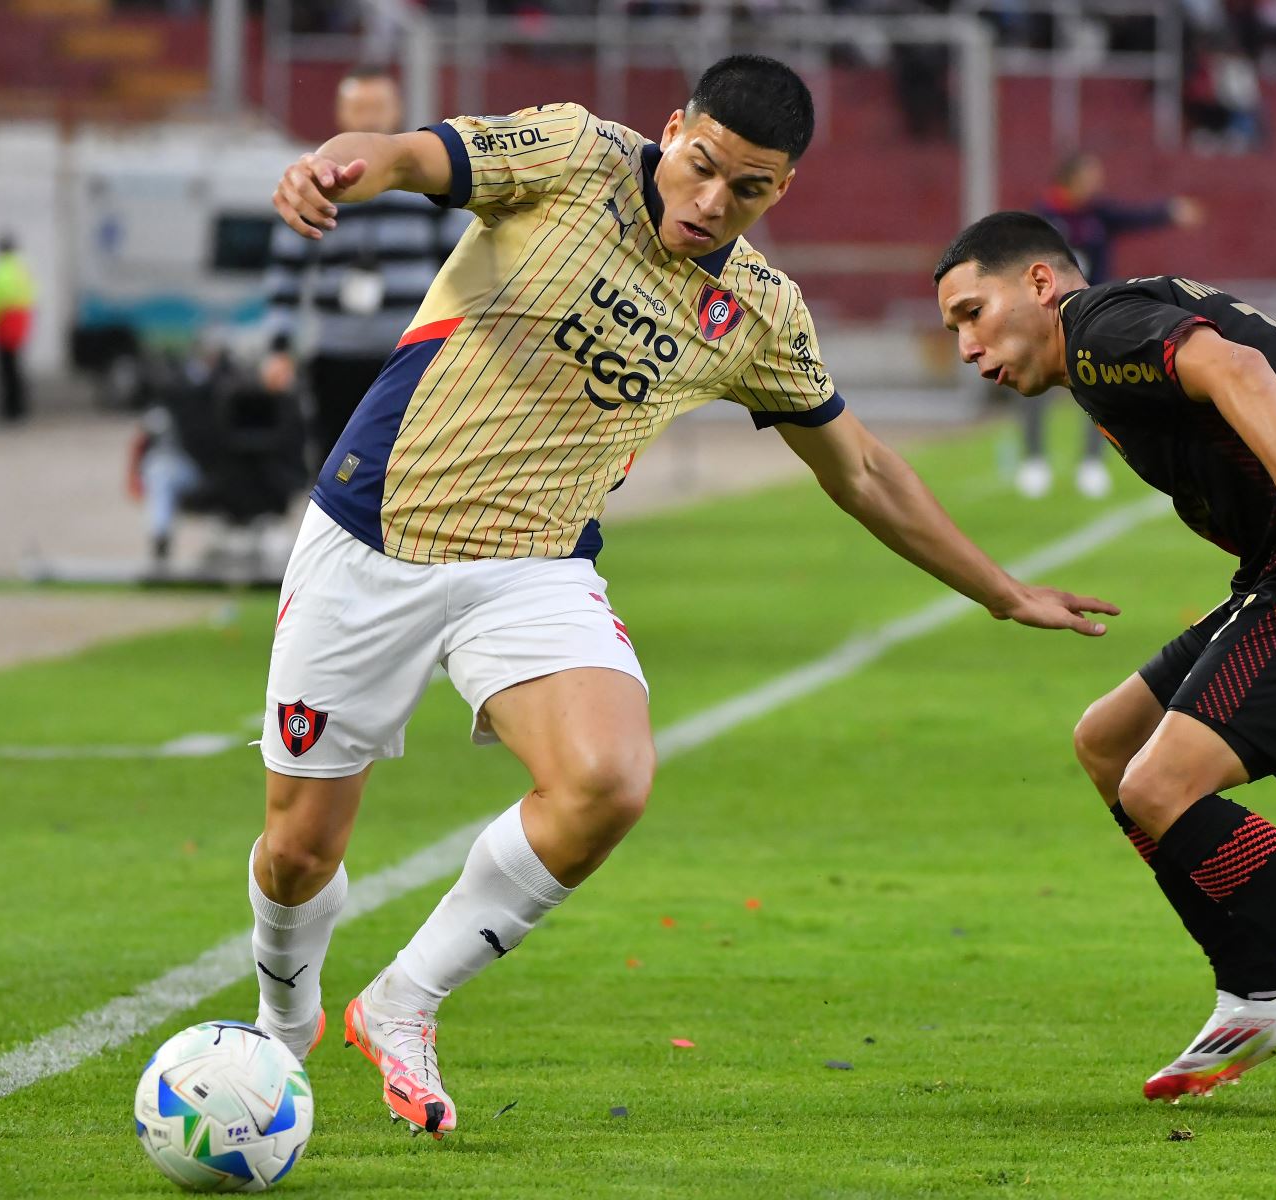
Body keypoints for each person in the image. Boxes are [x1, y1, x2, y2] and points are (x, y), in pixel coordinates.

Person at [254, 56, 1118, 1138]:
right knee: (299, 851)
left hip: (531, 567)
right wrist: (343, 166)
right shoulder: (574, 156)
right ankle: (278, 1026)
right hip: (371, 537)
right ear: (673, 131)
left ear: (781, 192)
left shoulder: (757, 310)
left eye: (747, 189)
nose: (711, 203)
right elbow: (420, 153)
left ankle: (402, 1004)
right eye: (700, 167)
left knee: (607, 781)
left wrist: (997, 591)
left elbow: (860, 470)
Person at [933, 212, 1276, 1134]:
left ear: (1042, 284)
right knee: (1108, 742)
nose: (968, 347)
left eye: (974, 313)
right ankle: (1255, 991)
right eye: (953, 330)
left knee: (1161, 783)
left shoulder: (1098, 332)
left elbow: (1239, 370)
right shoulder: (1120, 328)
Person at [264, 64, 472, 470]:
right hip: (336, 354)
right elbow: (286, 272)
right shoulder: (314, 181)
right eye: (359, 109)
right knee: (332, 464)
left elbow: (463, 261)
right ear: (342, 116)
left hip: (412, 350)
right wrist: (278, 348)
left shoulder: (428, 181)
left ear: (397, 111)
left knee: (408, 466)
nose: (371, 119)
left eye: (379, 107)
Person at [1023, 153, 1203, 500]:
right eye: (1091, 175)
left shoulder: (1098, 214)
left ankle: (1092, 463)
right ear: (1071, 177)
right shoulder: (1043, 216)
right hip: (1047, 317)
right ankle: (1034, 461)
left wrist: (1170, 211)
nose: (1096, 183)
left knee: (1097, 385)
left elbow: (1136, 217)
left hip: (1090, 315)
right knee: (1034, 388)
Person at [0, 234, 36, 422]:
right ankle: (20, 409)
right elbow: (31, 297)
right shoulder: (22, 268)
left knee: (6, 370)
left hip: (3, 322)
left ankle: (10, 409)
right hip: (20, 322)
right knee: (16, 368)